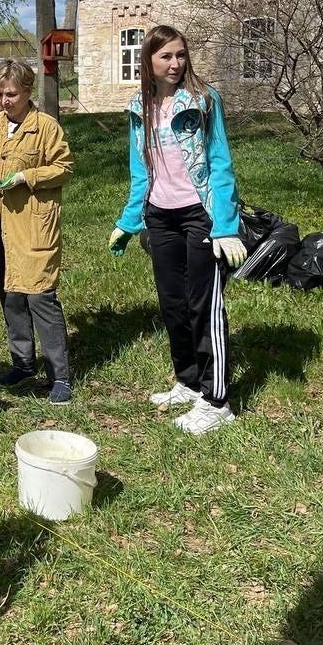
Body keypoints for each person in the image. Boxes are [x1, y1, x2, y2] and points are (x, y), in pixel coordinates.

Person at [109, 25, 246, 436]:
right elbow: (141, 170)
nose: (175, 64)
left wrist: (225, 225)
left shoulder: (203, 100)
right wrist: (129, 220)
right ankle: (188, 381)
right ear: (148, 61)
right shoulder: (140, 105)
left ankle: (217, 400)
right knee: (173, 304)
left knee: (204, 305)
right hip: (160, 217)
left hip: (199, 216)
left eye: (181, 55)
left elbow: (220, 162)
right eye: (166, 56)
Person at [0, 60, 75, 403]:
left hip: (33, 226)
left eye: (11, 94)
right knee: (10, 294)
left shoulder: (46, 127)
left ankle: (60, 377)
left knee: (40, 297)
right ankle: (23, 364)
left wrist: (26, 177)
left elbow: (64, 167)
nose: (4, 101)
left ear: (27, 91)